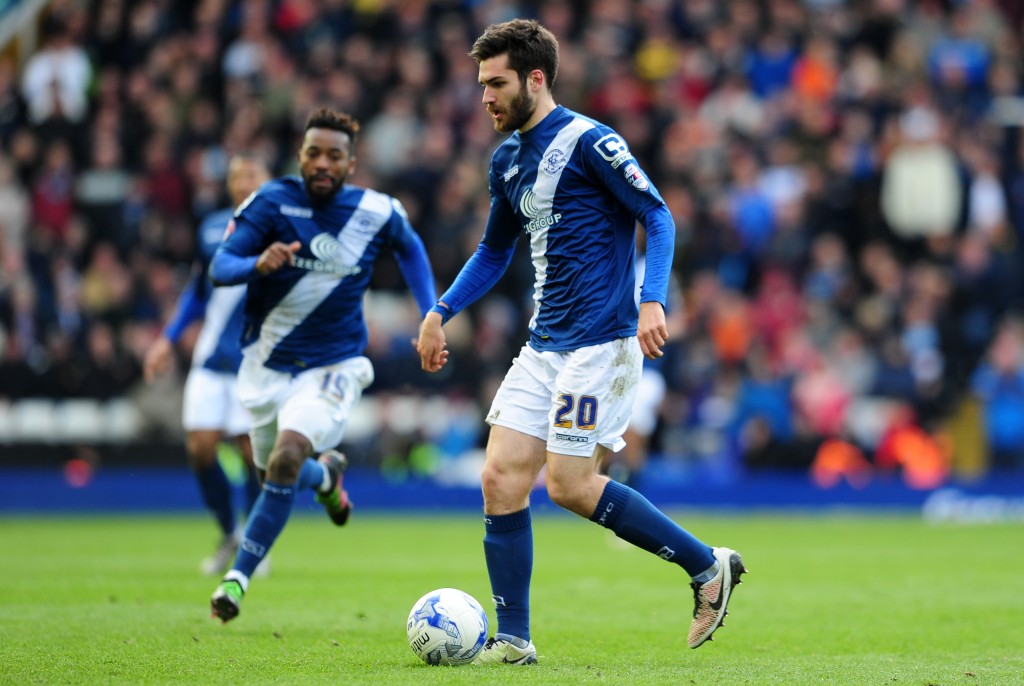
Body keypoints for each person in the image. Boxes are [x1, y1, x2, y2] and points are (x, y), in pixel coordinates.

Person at [416, 19, 746, 663]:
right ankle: (515, 639)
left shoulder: (590, 141)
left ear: (535, 79)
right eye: (482, 83)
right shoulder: (507, 160)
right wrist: (441, 310)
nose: (485, 96)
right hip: (545, 346)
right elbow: (493, 251)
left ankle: (708, 566)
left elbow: (657, 214)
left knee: (568, 485)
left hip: (601, 345)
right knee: (500, 478)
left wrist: (652, 297)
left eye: (496, 83)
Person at [208, 106, 437, 622]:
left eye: (335, 155)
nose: (323, 163)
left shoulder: (376, 210)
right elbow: (220, 266)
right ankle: (326, 479)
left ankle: (236, 580)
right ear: (301, 156)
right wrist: (256, 262)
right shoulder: (270, 201)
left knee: (286, 456)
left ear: (351, 164)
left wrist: (431, 315)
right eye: (314, 153)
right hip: (267, 366)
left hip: (333, 365)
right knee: (275, 471)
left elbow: (412, 249)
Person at [143, 152, 270, 576]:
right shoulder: (213, 228)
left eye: (251, 174)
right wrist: (167, 339)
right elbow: (197, 293)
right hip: (212, 357)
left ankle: (253, 544)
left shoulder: (284, 229)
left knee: (253, 453)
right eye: (237, 176)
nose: (243, 182)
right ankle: (229, 532)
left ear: (268, 180)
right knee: (200, 448)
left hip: (254, 362)